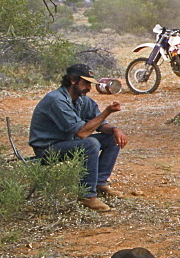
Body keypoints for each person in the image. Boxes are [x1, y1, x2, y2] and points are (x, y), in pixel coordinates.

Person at [29, 63, 128, 212]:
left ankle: (100, 183)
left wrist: (115, 129)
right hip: (47, 149)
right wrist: (107, 112)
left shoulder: (82, 100)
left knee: (111, 138)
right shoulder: (56, 100)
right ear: (73, 80)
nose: (89, 88)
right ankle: (86, 196)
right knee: (91, 143)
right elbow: (82, 133)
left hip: (67, 143)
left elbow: (99, 123)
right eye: (86, 83)